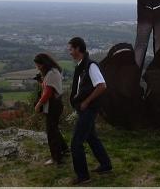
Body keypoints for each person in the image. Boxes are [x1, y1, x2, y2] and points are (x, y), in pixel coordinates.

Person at [68, 37, 112, 185]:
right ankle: (106, 165)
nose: (70, 52)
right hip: (84, 109)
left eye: (71, 49)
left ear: (78, 49)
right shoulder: (82, 66)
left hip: (89, 109)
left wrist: (86, 102)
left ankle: (83, 176)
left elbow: (102, 85)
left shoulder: (90, 65)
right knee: (91, 138)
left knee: (76, 143)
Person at [34, 53, 68, 165]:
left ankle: (57, 158)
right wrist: (41, 82)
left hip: (53, 105)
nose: (38, 68)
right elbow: (49, 88)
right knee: (54, 128)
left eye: (39, 65)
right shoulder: (53, 71)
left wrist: (39, 104)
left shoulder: (51, 74)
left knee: (51, 132)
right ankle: (64, 150)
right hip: (56, 104)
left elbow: (48, 92)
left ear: (44, 64)